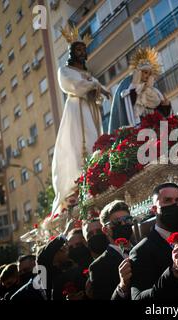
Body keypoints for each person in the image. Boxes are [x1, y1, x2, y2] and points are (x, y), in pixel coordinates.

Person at [51, 25, 112, 218]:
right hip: (76, 109)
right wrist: (95, 86)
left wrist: (98, 89)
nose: (81, 52)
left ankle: (95, 179)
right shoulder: (65, 70)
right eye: (77, 49)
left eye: (83, 50)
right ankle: (75, 188)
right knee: (77, 146)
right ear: (71, 52)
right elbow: (73, 86)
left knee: (96, 143)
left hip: (90, 110)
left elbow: (99, 91)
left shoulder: (89, 75)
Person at [129, 183, 178, 300]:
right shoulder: (141, 251)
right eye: (167, 200)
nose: (174, 204)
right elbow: (138, 297)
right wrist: (173, 273)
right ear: (154, 209)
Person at [88, 200, 133, 300]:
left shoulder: (141, 249)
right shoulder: (98, 266)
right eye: (117, 222)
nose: (123, 224)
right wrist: (122, 286)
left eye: (127, 219)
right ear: (105, 230)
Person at [128, 47, 171, 121]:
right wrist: (141, 88)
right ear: (139, 73)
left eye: (149, 74)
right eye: (145, 72)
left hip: (157, 124)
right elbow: (130, 103)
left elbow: (165, 114)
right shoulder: (134, 88)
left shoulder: (155, 91)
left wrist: (166, 105)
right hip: (142, 124)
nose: (147, 76)